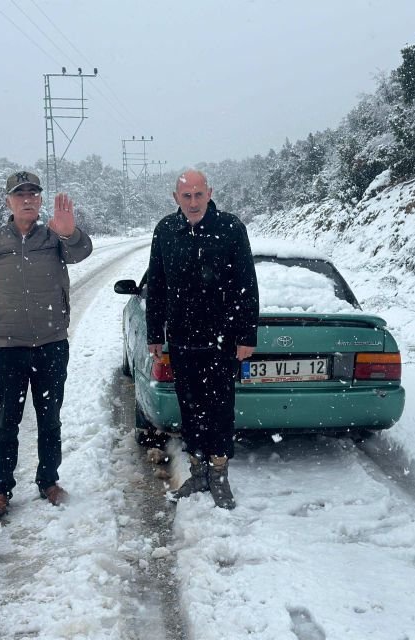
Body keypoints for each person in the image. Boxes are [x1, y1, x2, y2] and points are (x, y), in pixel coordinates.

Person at [0, 170, 92, 516]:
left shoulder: (54, 237)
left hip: (51, 345)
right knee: (6, 422)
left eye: (33, 194)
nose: (28, 199)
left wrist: (70, 232)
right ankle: (1, 489)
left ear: (40, 200)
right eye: (20, 194)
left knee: (50, 419)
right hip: (8, 348)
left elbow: (82, 251)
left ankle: (48, 481)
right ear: (8, 201)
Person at [146, 169, 259, 510]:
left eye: (198, 195)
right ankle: (197, 470)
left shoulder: (231, 229)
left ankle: (219, 473)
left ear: (209, 192)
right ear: (176, 198)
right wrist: (155, 333)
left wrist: (246, 334)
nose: (193, 202)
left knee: (221, 408)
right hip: (182, 340)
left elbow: (246, 284)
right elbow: (158, 287)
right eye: (186, 196)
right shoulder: (165, 231)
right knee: (191, 408)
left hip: (222, 340)